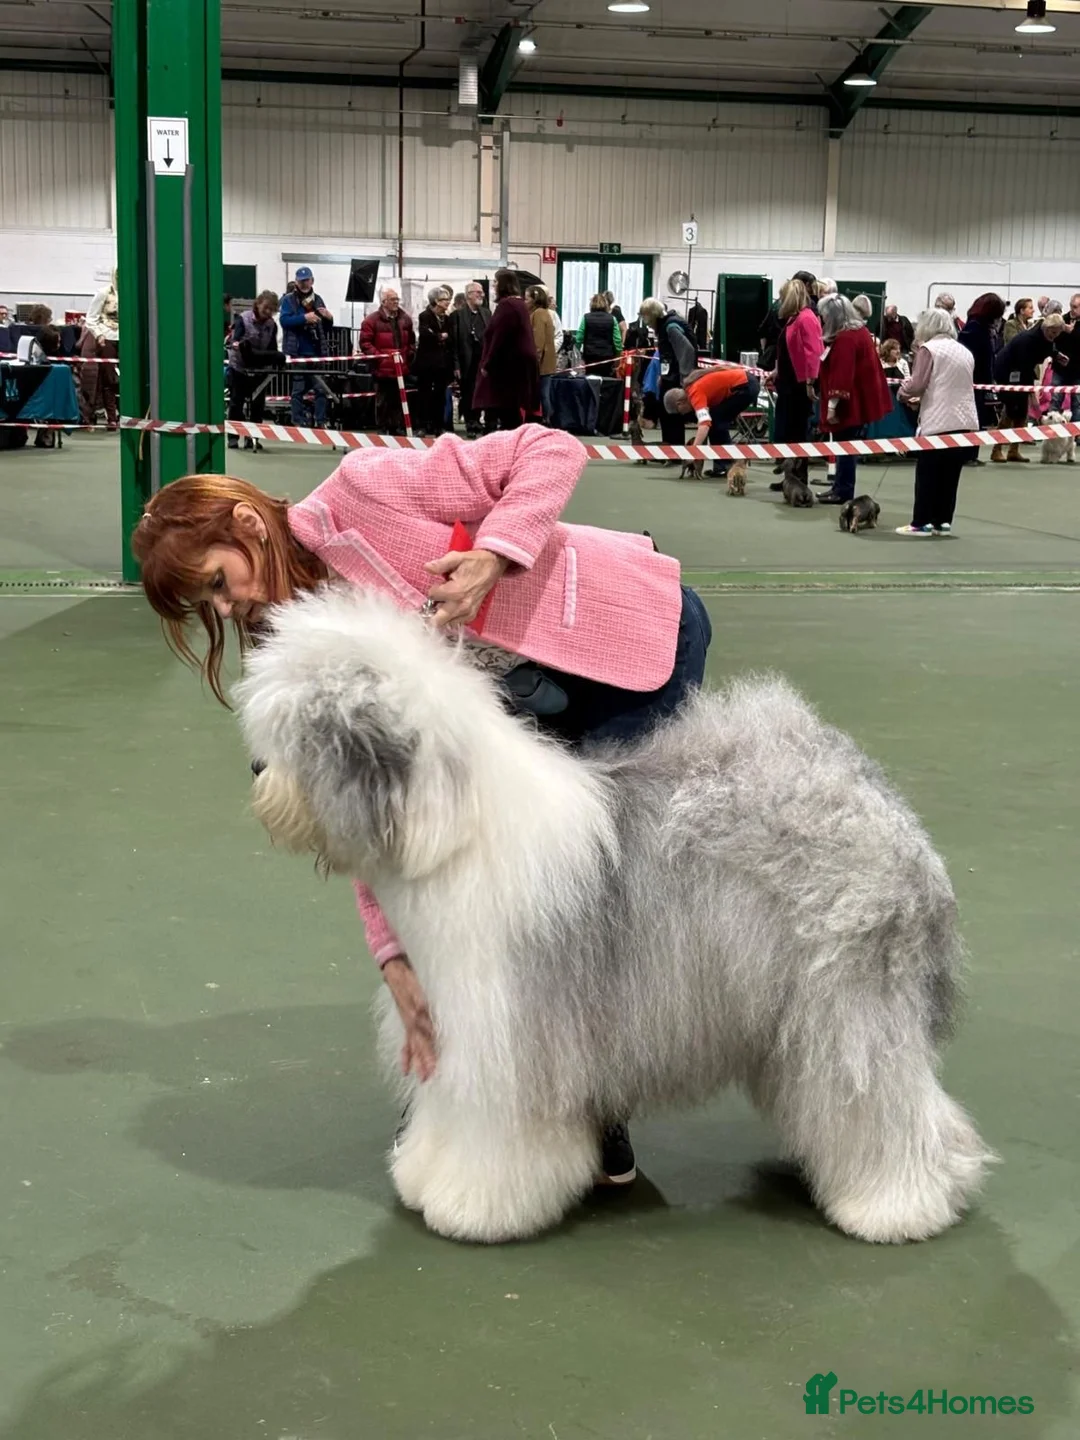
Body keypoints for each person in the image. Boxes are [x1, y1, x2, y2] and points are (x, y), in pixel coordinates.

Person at [131, 425, 713, 1189]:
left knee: (598, 894)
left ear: (245, 525)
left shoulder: (367, 487)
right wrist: (395, 957)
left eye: (216, 582)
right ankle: (491, 1093)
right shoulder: (290, 639)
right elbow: (365, 820)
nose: (228, 607)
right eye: (207, 604)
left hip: (633, 646)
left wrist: (493, 556)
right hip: (528, 711)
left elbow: (547, 449)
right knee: (504, 907)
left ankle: (598, 1106)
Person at [896, 309, 977, 536]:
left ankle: (921, 522)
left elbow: (917, 384)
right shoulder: (964, 351)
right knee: (950, 476)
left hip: (938, 421)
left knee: (927, 474)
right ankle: (943, 522)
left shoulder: (928, 349)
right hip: (964, 420)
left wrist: (902, 393)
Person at [816, 294, 891, 504]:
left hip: (850, 405)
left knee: (845, 448)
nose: (822, 320)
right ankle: (839, 487)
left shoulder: (846, 339)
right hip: (859, 401)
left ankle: (843, 491)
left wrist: (832, 406)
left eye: (824, 316)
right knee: (846, 447)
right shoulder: (859, 332)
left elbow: (842, 376)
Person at [992, 310, 1069, 463]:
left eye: (1057, 333)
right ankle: (996, 449)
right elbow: (1024, 367)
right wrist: (1032, 394)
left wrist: (1057, 355)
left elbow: (1048, 347)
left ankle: (1013, 450)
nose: (1054, 336)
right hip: (1008, 373)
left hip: (1021, 373)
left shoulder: (1044, 335)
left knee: (1021, 412)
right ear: (1046, 328)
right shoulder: (1028, 339)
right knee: (1010, 411)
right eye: (1053, 332)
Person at [768, 277, 822, 490]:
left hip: (799, 387)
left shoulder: (806, 318)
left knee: (798, 434)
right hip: (789, 385)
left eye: (782, 298)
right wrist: (776, 371)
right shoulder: (794, 319)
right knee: (789, 433)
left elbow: (813, 353)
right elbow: (789, 353)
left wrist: (810, 383)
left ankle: (799, 481)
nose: (780, 301)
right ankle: (790, 478)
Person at [663, 362, 760, 479]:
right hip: (746, 382)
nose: (683, 414)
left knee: (716, 423)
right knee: (716, 420)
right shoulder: (692, 389)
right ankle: (723, 465)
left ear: (679, 403)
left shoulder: (695, 393)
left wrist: (692, 452)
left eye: (679, 412)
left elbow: (704, 424)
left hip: (745, 386)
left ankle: (726, 464)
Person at [472, 269, 539, 432]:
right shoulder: (519, 304)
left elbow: (499, 337)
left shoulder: (507, 305)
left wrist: (487, 364)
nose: (494, 285)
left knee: (506, 412)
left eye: (495, 282)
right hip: (518, 367)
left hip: (507, 370)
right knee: (512, 412)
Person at [639, 298, 697, 455]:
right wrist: (663, 375)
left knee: (672, 412)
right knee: (667, 412)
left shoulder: (670, 326)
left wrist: (685, 378)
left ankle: (675, 451)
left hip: (678, 379)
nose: (645, 321)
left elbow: (687, 351)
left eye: (645, 316)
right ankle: (671, 449)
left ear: (652, 315)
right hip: (671, 376)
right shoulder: (667, 325)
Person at [279, 266, 334, 427]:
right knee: (298, 389)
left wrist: (329, 318)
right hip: (297, 352)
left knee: (321, 389)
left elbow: (326, 328)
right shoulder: (288, 300)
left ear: (312, 281)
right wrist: (304, 318)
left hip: (317, 351)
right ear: (296, 282)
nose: (304, 284)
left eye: (307, 280)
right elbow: (284, 321)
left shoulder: (318, 300)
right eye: (301, 281)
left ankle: (320, 420)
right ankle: (297, 420)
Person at [358, 285, 416, 435]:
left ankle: (397, 428)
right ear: (383, 302)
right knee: (383, 401)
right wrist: (380, 359)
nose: (396, 302)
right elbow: (365, 343)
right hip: (382, 369)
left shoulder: (405, 319)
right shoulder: (371, 321)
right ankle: (383, 429)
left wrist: (408, 355)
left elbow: (411, 341)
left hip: (401, 367)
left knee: (399, 400)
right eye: (392, 299)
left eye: (397, 299)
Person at [227, 289, 280, 454]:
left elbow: (272, 348)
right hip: (239, 368)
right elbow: (235, 340)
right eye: (266, 308)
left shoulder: (272, 325)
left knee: (258, 406)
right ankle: (234, 438)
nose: (269, 312)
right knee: (237, 403)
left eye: (272, 309)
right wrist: (236, 344)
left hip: (260, 370)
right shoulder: (243, 319)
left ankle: (253, 438)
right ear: (258, 304)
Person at [957, 293, 1006, 463]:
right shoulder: (975, 328)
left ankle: (971, 454)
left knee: (978, 419)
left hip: (980, 381)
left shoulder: (980, 327)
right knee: (972, 419)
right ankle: (968, 455)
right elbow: (974, 357)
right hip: (973, 381)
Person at [449, 281, 490, 439]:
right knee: (467, 395)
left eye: (482, 292)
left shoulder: (486, 314)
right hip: (466, 362)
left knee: (481, 394)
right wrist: (456, 365)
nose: (481, 294)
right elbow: (453, 344)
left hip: (482, 363)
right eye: (477, 292)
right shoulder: (457, 316)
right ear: (468, 295)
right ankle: (470, 423)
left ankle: (478, 421)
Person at [79, 269, 119, 430]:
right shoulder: (103, 293)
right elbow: (91, 318)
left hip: (127, 338)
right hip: (107, 338)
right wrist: (99, 334)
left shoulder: (131, 291)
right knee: (108, 380)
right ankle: (112, 418)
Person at [413, 286, 454, 438]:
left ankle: (438, 426)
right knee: (423, 394)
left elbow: (451, 337)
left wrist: (439, 336)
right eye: (444, 299)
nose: (447, 302)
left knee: (440, 396)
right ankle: (422, 426)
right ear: (436, 301)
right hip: (426, 364)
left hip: (442, 365)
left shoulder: (448, 319)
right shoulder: (425, 316)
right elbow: (425, 335)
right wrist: (439, 336)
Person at [525, 285, 557, 424]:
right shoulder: (545, 313)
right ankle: (546, 418)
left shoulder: (538, 314)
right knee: (545, 393)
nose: (524, 301)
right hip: (547, 362)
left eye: (526, 298)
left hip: (541, 364)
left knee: (543, 394)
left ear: (534, 300)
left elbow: (538, 341)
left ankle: (545, 419)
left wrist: (534, 362)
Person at [1047, 292, 1080, 423]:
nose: (1073, 309)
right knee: (1055, 399)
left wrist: (1072, 332)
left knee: (1077, 403)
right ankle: (1048, 431)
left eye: (1077, 307)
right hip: (1060, 368)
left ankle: (1077, 433)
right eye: (1072, 306)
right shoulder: (1060, 320)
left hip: (1078, 370)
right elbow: (1052, 339)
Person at [575, 294, 622, 378]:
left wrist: (577, 357)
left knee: (590, 381)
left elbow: (579, 339)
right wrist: (618, 357)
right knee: (606, 381)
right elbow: (617, 341)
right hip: (608, 357)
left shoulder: (586, 318)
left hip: (590, 357)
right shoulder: (612, 319)